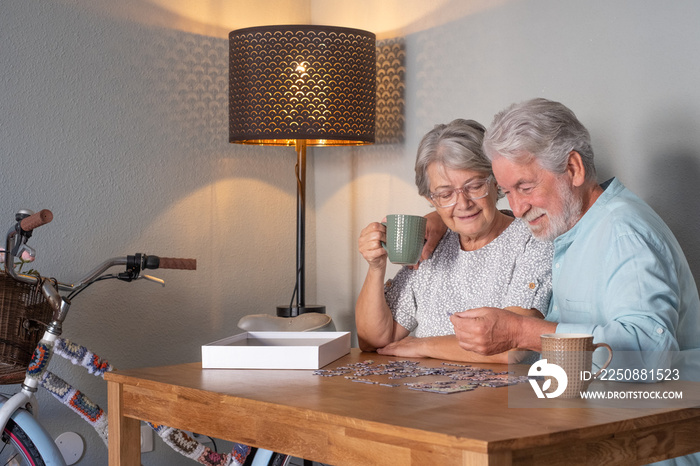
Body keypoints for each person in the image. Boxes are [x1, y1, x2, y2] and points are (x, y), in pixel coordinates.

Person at [355, 119, 553, 363]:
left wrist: (423, 345)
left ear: (496, 182)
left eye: (474, 186)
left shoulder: (532, 240)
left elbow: (511, 349)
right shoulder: (430, 242)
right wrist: (376, 266)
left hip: (501, 398)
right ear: (432, 199)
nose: (463, 203)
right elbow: (374, 341)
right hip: (424, 397)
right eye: (446, 194)